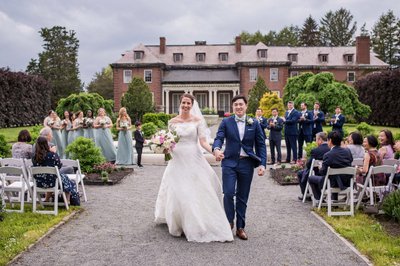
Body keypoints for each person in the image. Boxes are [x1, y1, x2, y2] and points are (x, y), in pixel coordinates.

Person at [155, 94, 233, 242]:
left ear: (192, 105)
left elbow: (203, 142)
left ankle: (196, 224)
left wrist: (214, 151)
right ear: (180, 104)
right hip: (177, 159)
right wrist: (164, 148)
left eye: (188, 103)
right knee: (178, 190)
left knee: (194, 189)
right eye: (183, 102)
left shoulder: (197, 121)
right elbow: (170, 142)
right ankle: (180, 222)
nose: (185, 105)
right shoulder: (172, 122)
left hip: (193, 157)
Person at [213, 95, 266, 240]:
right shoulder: (226, 122)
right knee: (228, 193)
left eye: (241, 104)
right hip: (229, 162)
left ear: (246, 106)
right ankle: (229, 222)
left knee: (242, 197)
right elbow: (219, 137)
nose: (238, 107)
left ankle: (240, 227)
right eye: (236, 105)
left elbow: (261, 144)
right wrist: (217, 149)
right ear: (233, 107)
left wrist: (262, 164)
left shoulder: (254, 123)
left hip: (246, 164)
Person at [32, 136, 80, 205]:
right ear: (46, 144)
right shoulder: (52, 155)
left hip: (39, 182)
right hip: (53, 182)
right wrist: (54, 153)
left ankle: (46, 199)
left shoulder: (34, 157)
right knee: (65, 179)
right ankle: (67, 200)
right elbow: (59, 165)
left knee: (54, 177)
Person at [308, 131, 353, 201]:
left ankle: (320, 200)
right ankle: (334, 200)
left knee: (311, 178)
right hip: (347, 182)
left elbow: (323, 172)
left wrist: (320, 168)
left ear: (330, 141)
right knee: (334, 176)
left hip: (332, 183)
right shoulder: (347, 151)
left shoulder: (328, 155)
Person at [297, 132, 330, 200]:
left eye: (316, 139)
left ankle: (307, 195)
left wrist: (306, 162)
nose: (315, 141)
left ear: (320, 139)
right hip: (330, 174)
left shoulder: (315, 150)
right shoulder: (331, 149)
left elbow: (309, 165)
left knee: (300, 173)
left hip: (318, 173)